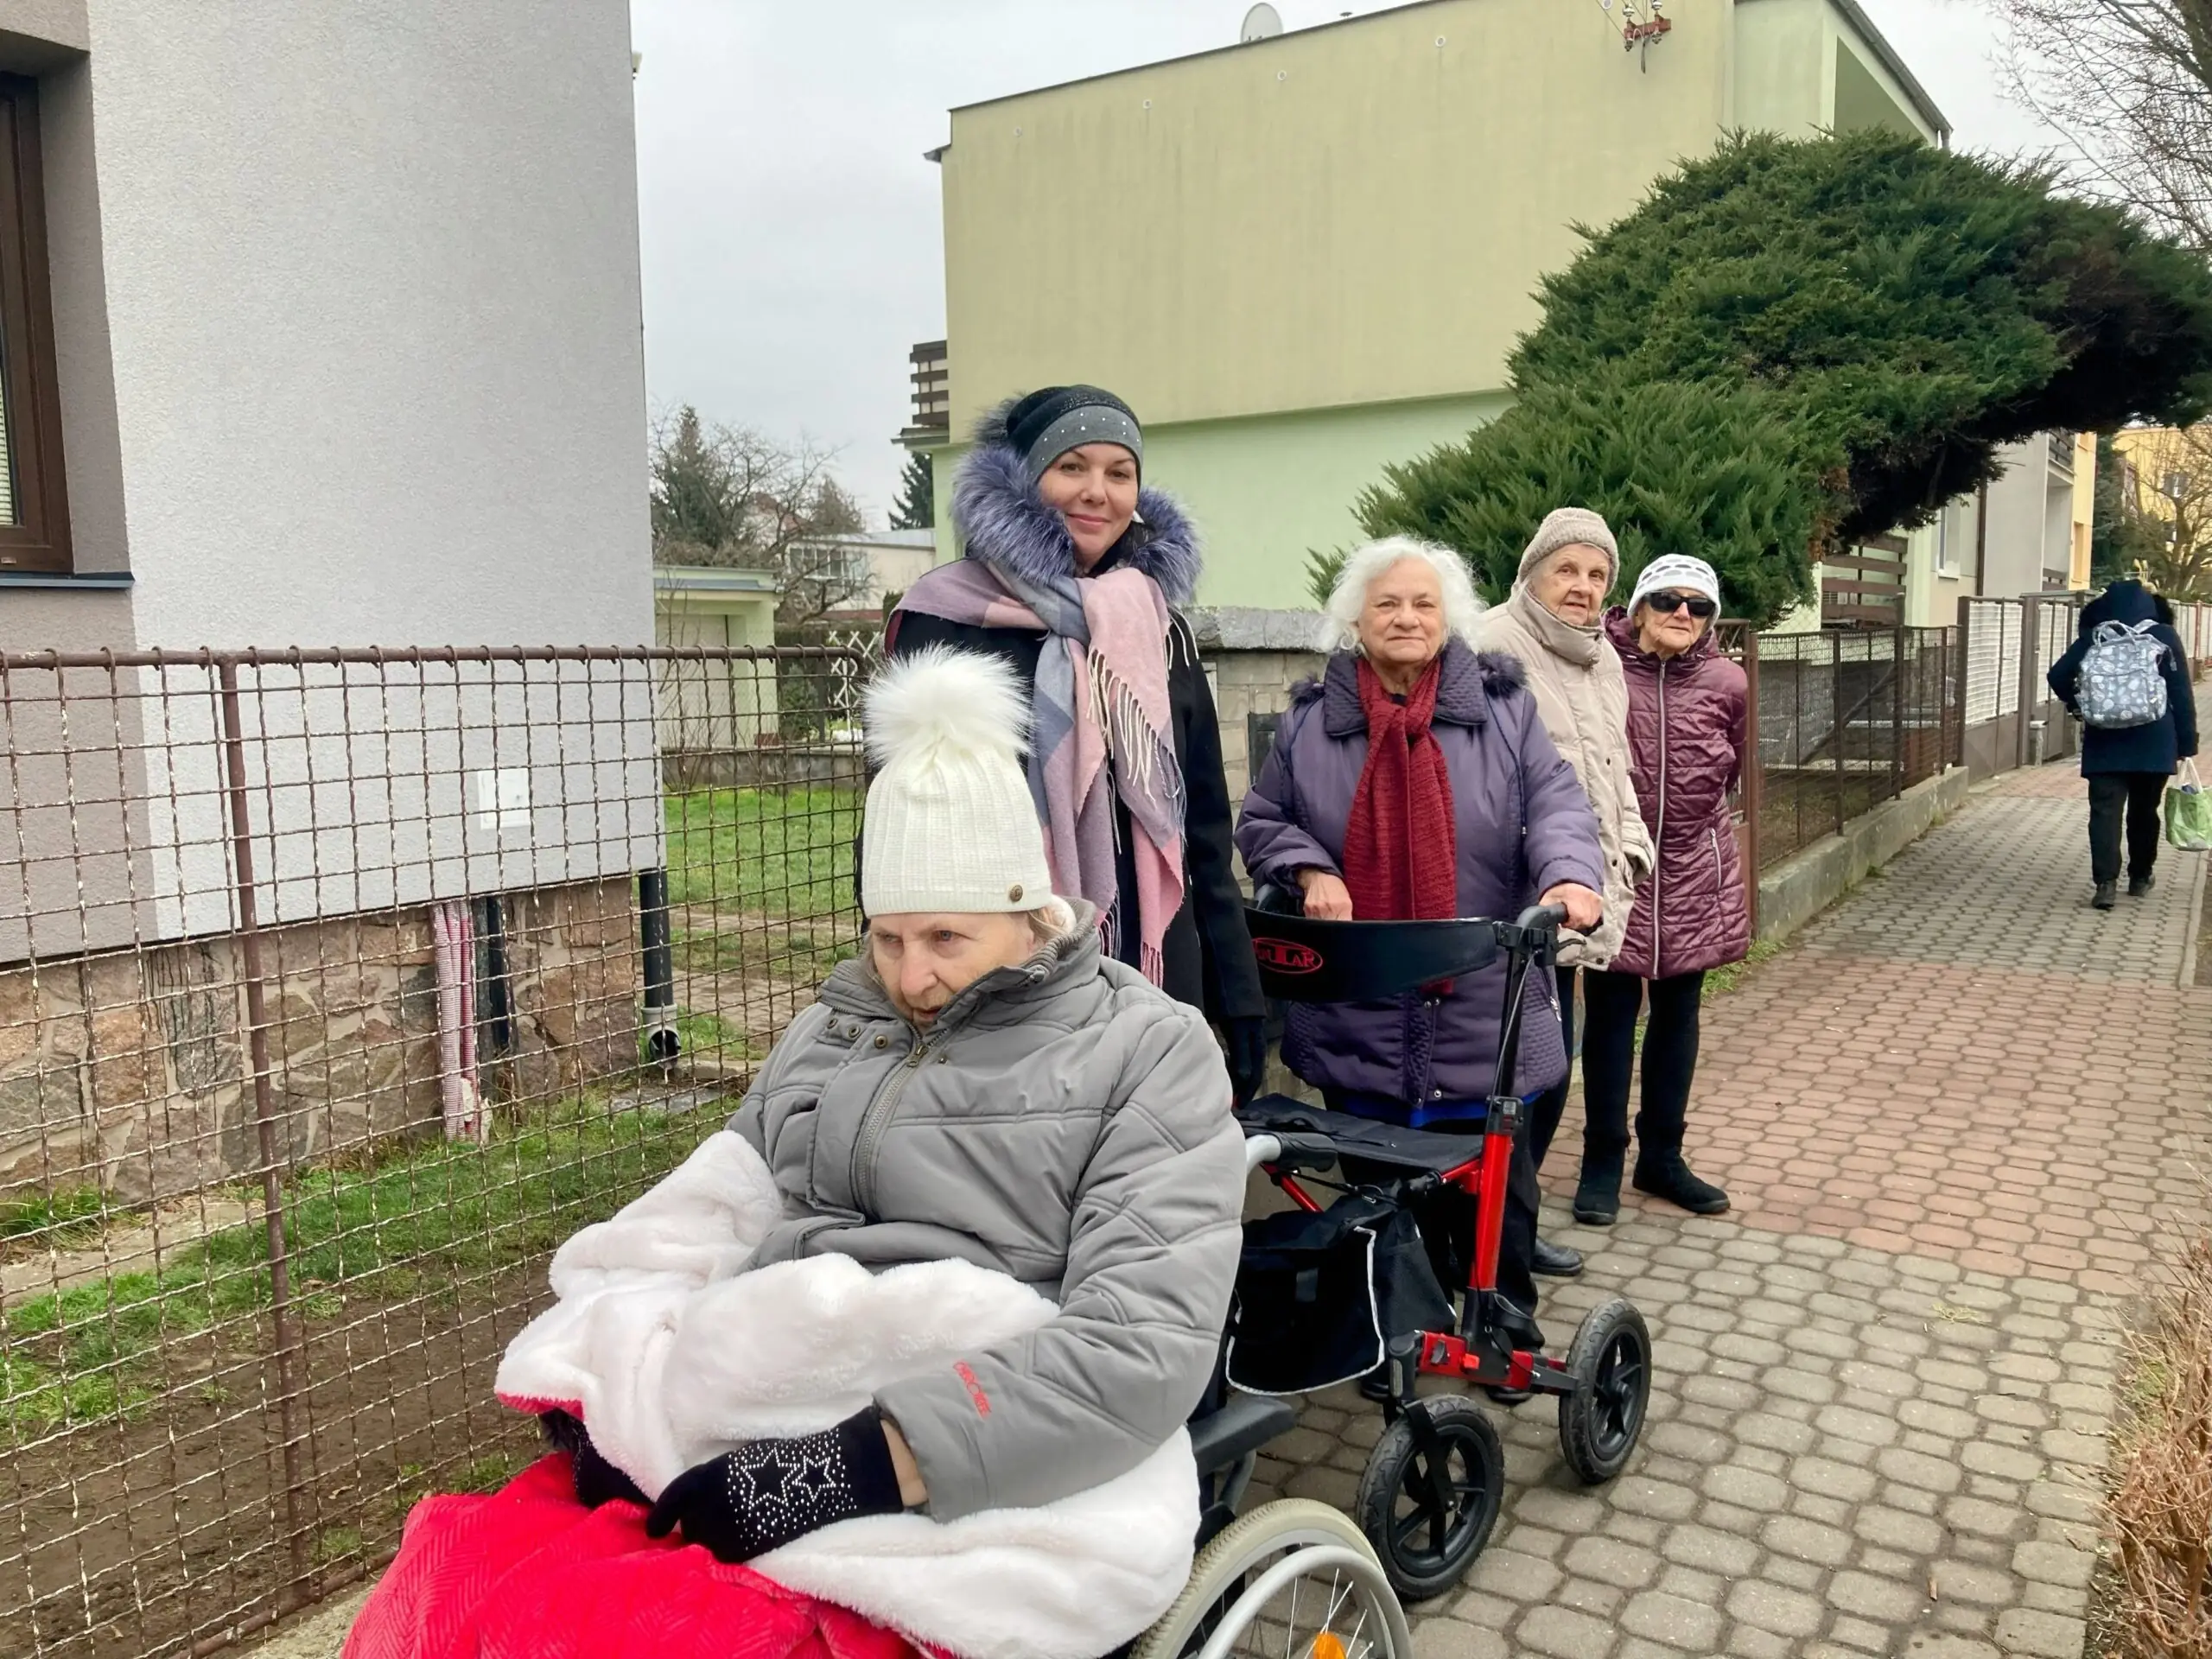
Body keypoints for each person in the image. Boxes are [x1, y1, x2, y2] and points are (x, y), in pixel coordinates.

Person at [352, 648, 1245, 1659]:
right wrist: (608, 1379)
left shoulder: (1144, 1052)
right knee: (467, 1588)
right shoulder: (836, 1026)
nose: (911, 977)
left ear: (1029, 913)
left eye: (946, 939)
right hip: (773, 1392)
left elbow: (1141, 1344)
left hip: (971, 1437)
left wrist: (853, 1467)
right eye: (887, 938)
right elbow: (707, 1209)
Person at [1236, 536, 1605, 1357]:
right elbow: (1263, 819)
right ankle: (1393, 1329)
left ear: (1448, 619)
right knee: (1378, 1183)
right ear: (1356, 621)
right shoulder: (1310, 723)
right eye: (1387, 604)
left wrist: (1570, 876)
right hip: (1359, 999)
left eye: (1423, 603)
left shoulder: (1503, 710)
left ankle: (1501, 1315)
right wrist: (1308, 867)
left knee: (1496, 1177)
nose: (1405, 617)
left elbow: (1557, 804)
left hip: (1481, 991)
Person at [887, 386, 1268, 1103]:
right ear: (1023, 477)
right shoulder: (944, 621)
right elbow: (902, 830)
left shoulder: (1159, 630)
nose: (1098, 492)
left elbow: (1203, 833)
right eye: (1071, 467)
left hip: (1154, 963)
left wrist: (1238, 996)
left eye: (1120, 473)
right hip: (1004, 973)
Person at [1470, 508, 1656, 1275]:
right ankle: (1481, 1238)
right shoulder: (1489, 644)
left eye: (1597, 574)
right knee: (1511, 1079)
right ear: (1532, 572)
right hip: (1513, 903)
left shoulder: (1603, 658)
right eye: (1566, 569)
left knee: (1551, 1071)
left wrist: (1633, 844)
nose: (1582, 586)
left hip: (1580, 895)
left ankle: (1512, 1228)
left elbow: (1615, 766)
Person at [1580, 554, 1748, 1225]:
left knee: (1679, 1012)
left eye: (1698, 605)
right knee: (1611, 1013)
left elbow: (1733, 767)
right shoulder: (1600, 666)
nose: (1683, 613)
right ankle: (1601, 1160)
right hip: (1618, 863)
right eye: (1669, 600)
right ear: (1640, 606)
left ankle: (1662, 1158)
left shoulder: (1727, 681)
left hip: (1692, 866)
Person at [2047, 576, 2198, 910]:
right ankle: (2140, 876)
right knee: (2145, 811)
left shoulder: (2096, 635)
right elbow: (2181, 693)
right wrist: (2187, 743)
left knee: (2104, 812)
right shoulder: (2162, 635)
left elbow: (2057, 675)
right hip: (2154, 739)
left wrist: (2079, 705)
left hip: (2105, 740)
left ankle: (2105, 884)